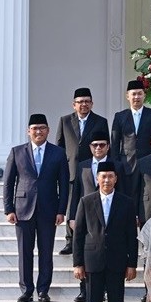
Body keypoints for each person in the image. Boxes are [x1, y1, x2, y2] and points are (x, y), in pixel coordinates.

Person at [72, 161, 138, 302]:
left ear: (116, 179)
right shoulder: (86, 201)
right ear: (97, 179)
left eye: (110, 176)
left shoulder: (126, 202)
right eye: (103, 176)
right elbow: (79, 234)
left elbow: (131, 236)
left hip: (117, 261)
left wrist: (132, 264)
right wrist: (77, 263)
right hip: (93, 260)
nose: (107, 180)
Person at [3, 114, 70, 302]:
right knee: (24, 252)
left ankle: (43, 290)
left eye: (42, 128)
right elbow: (8, 183)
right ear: (28, 131)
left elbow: (64, 184)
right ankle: (26, 290)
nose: (38, 131)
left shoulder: (58, 153)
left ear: (48, 130)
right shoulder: (17, 152)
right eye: (35, 128)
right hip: (23, 209)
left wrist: (61, 210)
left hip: (49, 209)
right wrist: (9, 209)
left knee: (46, 251)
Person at [70, 130, 122, 302]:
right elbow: (76, 192)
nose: (98, 148)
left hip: (111, 213)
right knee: (88, 250)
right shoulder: (82, 165)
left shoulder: (117, 166)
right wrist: (72, 216)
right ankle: (84, 290)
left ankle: (107, 289)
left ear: (108, 147)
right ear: (90, 147)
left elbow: (123, 191)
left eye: (102, 145)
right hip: (87, 213)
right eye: (95, 145)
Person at [57, 87, 108, 255]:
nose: (83, 104)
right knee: (73, 203)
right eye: (80, 102)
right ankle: (70, 241)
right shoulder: (64, 121)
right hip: (71, 169)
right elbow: (60, 147)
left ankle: (95, 236)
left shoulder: (101, 121)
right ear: (74, 105)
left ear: (92, 103)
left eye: (87, 101)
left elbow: (106, 145)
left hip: (93, 169)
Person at [110, 79, 151, 174]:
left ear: (144, 95)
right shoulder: (120, 116)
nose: (136, 97)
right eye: (133, 94)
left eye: (139, 94)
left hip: (148, 163)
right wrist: (116, 164)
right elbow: (115, 143)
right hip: (126, 164)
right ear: (127, 96)